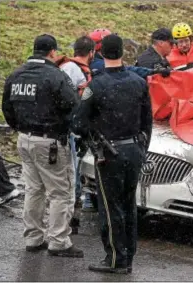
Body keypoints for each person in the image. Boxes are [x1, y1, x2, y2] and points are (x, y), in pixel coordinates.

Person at [72, 34, 152, 274]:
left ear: (100, 54)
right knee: (129, 205)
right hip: (134, 149)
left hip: (110, 152)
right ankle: (128, 255)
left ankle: (116, 258)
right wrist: (141, 148)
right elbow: (147, 121)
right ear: (123, 53)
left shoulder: (96, 85)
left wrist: (93, 136)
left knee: (109, 207)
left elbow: (78, 121)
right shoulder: (138, 82)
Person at [2, 34, 83, 257]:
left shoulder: (16, 75)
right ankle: (59, 241)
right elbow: (74, 107)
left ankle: (33, 238)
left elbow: (7, 108)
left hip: (24, 139)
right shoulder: (55, 76)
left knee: (34, 190)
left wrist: (21, 126)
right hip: (51, 142)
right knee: (60, 192)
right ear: (53, 52)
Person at [58, 36, 96, 233]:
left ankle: (68, 217)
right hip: (72, 130)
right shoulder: (77, 71)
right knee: (72, 174)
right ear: (91, 53)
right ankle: (69, 220)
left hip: (66, 129)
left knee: (69, 174)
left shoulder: (66, 67)